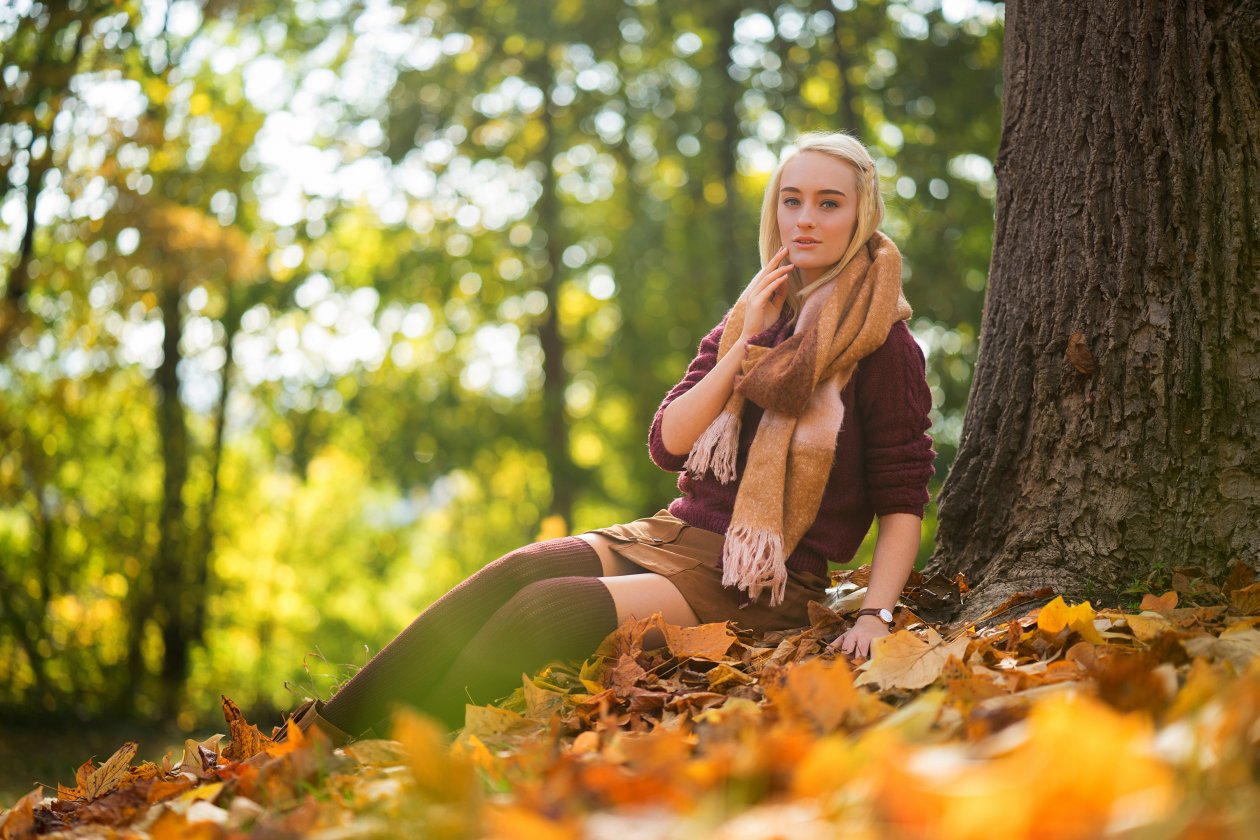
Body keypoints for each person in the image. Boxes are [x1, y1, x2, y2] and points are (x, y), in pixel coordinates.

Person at [268, 131, 935, 747]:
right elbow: (669, 443)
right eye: (792, 200)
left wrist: (874, 615)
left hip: (761, 582)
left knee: (549, 610)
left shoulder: (883, 346)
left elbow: (903, 497)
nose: (806, 219)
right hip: (675, 537)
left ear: (861, 214)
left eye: (828, 203)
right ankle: (316, 741)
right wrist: (743, 345)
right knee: (516, 570)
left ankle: (398, 749)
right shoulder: (751, 315)